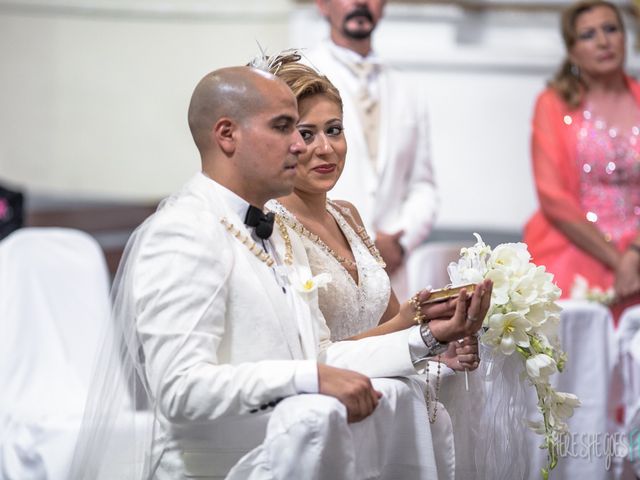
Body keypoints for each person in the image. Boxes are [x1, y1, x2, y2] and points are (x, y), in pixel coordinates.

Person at [70, 65, 492, 480]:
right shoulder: (183, 232)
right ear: (227, 135)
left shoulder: (268, 233)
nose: (301, 145)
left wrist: (428, 338)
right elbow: (180, 389)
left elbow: (321, 356)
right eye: (284, 127)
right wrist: (309, 378)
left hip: (300, 458)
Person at [304, 0, 437, 299]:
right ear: (322, 5)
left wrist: (399, 242)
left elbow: (423, 185)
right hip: (324, 263)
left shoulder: (407, 88)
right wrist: (359, 242)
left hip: (392, 270)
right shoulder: (302, 76)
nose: (361, 2)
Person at [523, 0, 640, 320]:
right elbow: (552, 197)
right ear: (572, 52)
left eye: (611, 29)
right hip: (575, 244)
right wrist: (618, 261)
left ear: (625, 38)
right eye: (588, 35)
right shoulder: (552, 104)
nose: (603, 42)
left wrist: (635, 253)